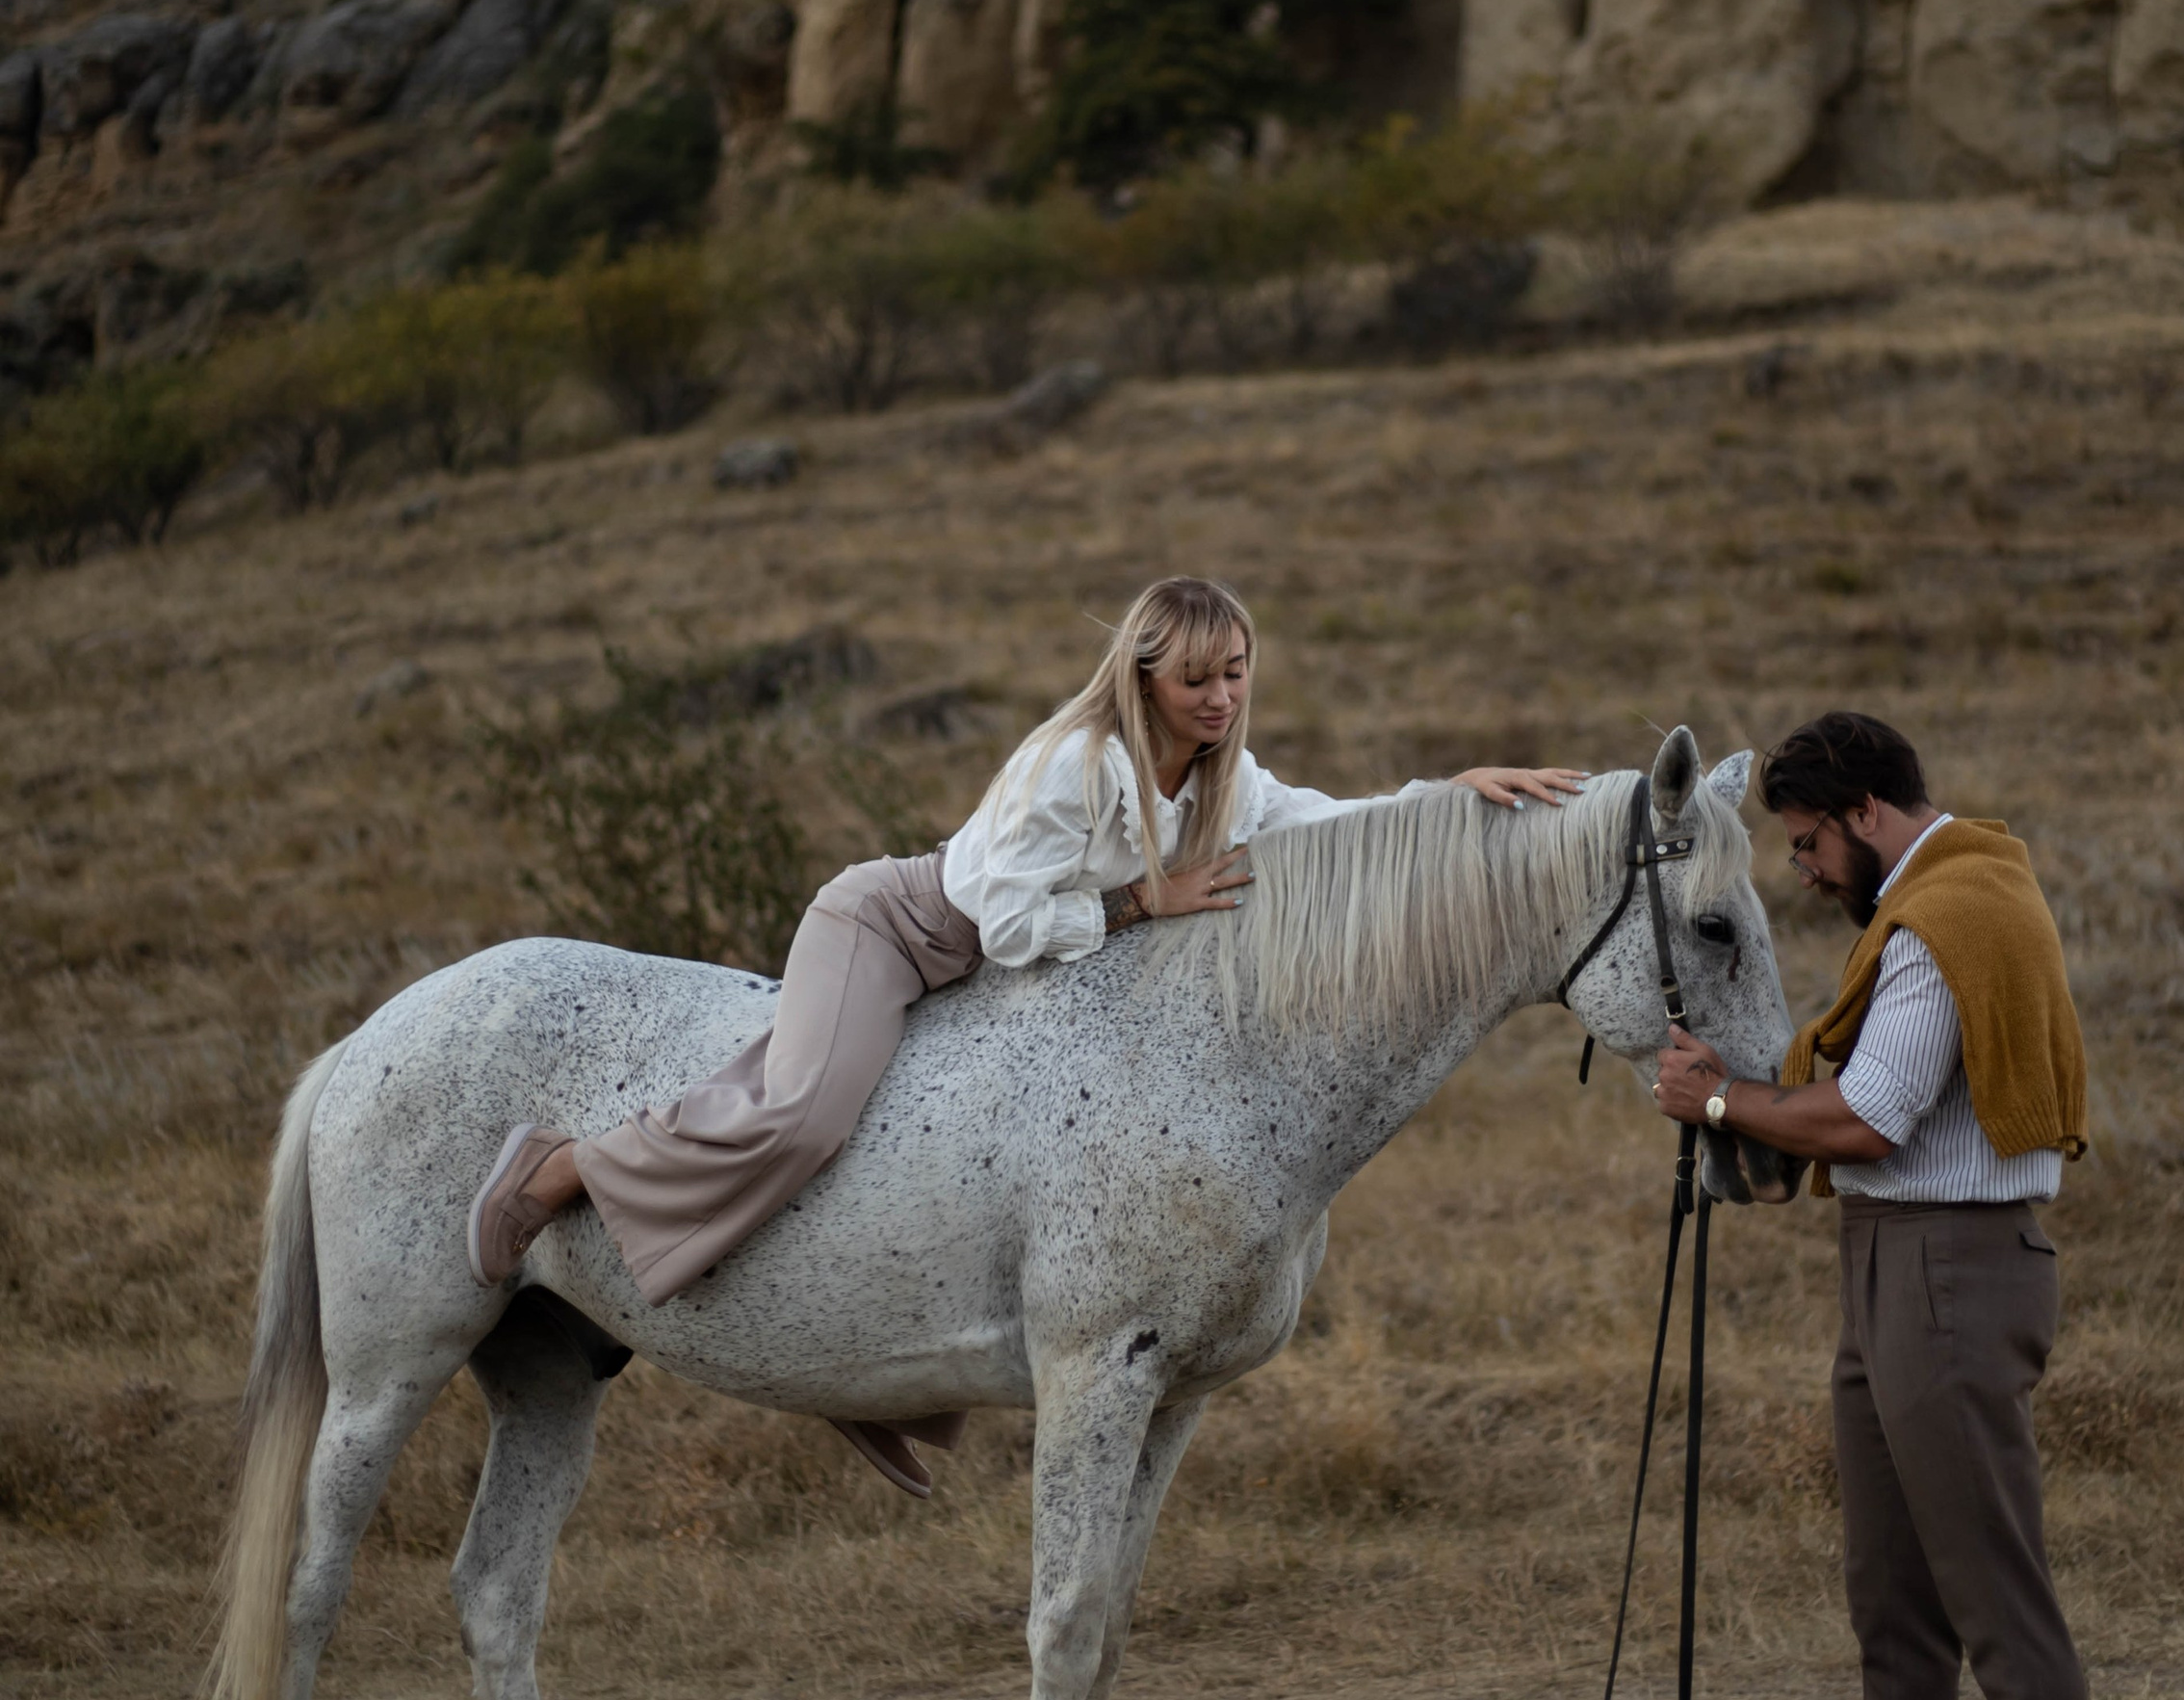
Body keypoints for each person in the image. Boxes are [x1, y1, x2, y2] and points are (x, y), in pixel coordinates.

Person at [467, 572, 1578, 1492]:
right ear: (1144, 675)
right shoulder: (1078, 762)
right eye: (1197, 677)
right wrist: (1144, 901)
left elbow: (1324, 821)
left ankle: (858, 1353)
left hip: (1004, 973)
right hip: (899, 932)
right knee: (802, 1115)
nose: (1221, 696)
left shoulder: (1220, 776)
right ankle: (562, 1168)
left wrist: (1452, 797)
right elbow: (1003, 926)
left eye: (1236, 672)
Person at [1649, 709, 2106, 1700]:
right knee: (1892, 1588)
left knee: (1993, 1589)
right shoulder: (1949, 897)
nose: (1801, 868)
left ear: (1864, 812)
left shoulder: (1942, 921)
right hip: (1899, 1259)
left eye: (1807, 841)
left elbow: (1869, 1117)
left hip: (1948, 1270)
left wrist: (1720, 1099)